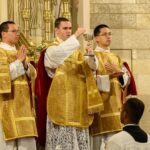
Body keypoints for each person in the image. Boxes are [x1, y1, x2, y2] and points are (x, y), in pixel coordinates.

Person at [35, 17, 104, 150]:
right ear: (56, 30)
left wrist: (90, 54)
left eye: (70, 28)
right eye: (65, 28)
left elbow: (93, 67)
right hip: (61, 104)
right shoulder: (51, 49)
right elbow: (57, 56)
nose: (68, 31)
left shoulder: (77, 52)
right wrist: (76, 35)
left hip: (78, 104)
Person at [90, 24, 137, 150]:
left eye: (110, 34)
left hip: (115, 106)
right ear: (96, 38)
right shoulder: (92, 56)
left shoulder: (116, 58)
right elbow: (89, 81)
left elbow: (126, 83)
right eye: (105, 34)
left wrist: (120, 72)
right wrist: (107, 77)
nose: (108, 36)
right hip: (99, 107)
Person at [0, 21, 37, 150]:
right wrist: (19, 61)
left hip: (24, 105)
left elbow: (33, 75)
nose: (18, 34)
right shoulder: (1, 52)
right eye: (14, 31)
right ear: (4, 34)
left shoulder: (18, 52)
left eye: (18, 31)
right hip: (8, 104)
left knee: (27, 143)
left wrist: (26, 64)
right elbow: (2, 77)